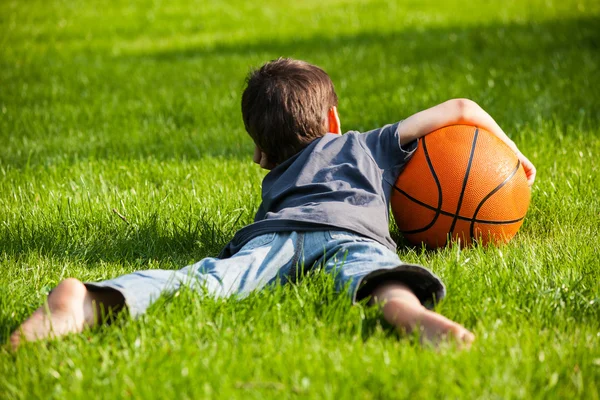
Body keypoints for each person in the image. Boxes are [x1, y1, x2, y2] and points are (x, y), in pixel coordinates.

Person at [10, 58, 536, 350]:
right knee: (378, 278)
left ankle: (87, 302)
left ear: (260, 152)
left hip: (273, 240)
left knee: (207, 281)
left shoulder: (272, 169)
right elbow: (461, 107)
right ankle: (407, 312)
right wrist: (512, 153)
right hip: (352, 236)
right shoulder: (366, 143)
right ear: (333, 121)